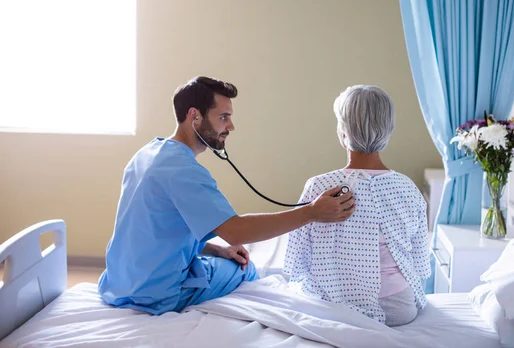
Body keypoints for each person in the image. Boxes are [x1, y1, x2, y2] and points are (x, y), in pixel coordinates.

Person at [98, 76, 355, 315]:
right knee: (245, 270)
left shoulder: (147, 153)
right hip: (155, 295)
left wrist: (214, 249)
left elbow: (154, 228)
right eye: (223, 117)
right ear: (194, 116)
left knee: (224, 255)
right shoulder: (184, 171)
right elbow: (236, 232)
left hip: (117, 283)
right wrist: (312, 212)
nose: (230, 126)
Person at [283, 85, 431, 327]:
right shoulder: (408, 188)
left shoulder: (319, 186)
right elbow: (420, 263)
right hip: (401, 309)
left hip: (337, 307)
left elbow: (297, 262)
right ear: (388, 129)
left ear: (343, 131)